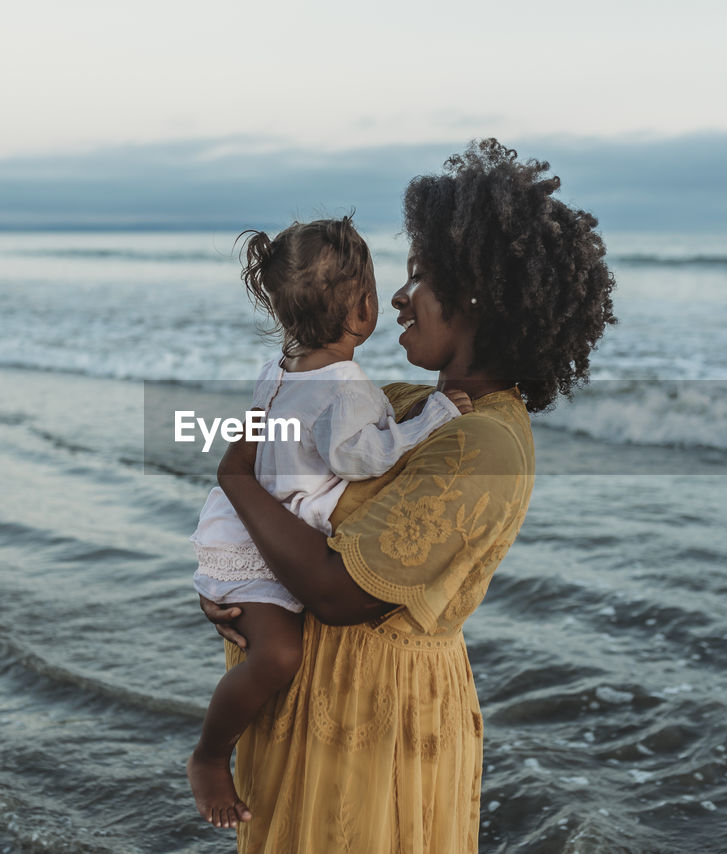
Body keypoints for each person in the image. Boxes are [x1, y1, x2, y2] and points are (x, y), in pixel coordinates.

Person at [201, 139, 617, 852]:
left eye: (420, 276)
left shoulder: (482, 445)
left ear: (475, 296)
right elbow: (276, 441)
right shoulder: (402, 402)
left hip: (375, 730)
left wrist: (235, 483)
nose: (395, 295)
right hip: (312, 705)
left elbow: (336, 592)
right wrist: (228, 581)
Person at [186, 216, 475, 829]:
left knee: (269, 651)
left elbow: (256, 445)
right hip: (256, 547)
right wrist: (433, 420)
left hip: (239, 531)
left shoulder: (283, 367)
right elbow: (362, 454)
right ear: (364, 308)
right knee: (279, 656)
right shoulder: (343, 389)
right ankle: (209, 758)